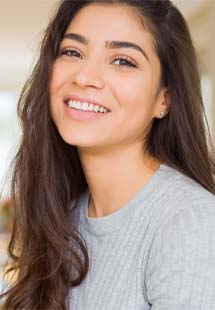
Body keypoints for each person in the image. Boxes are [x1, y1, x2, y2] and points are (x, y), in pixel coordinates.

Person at [1, 0, 215, 309]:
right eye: (72, 52)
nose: (85, 77)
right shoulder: (64, 217)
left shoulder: (191, 223)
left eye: (123, 61)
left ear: (164, 100)